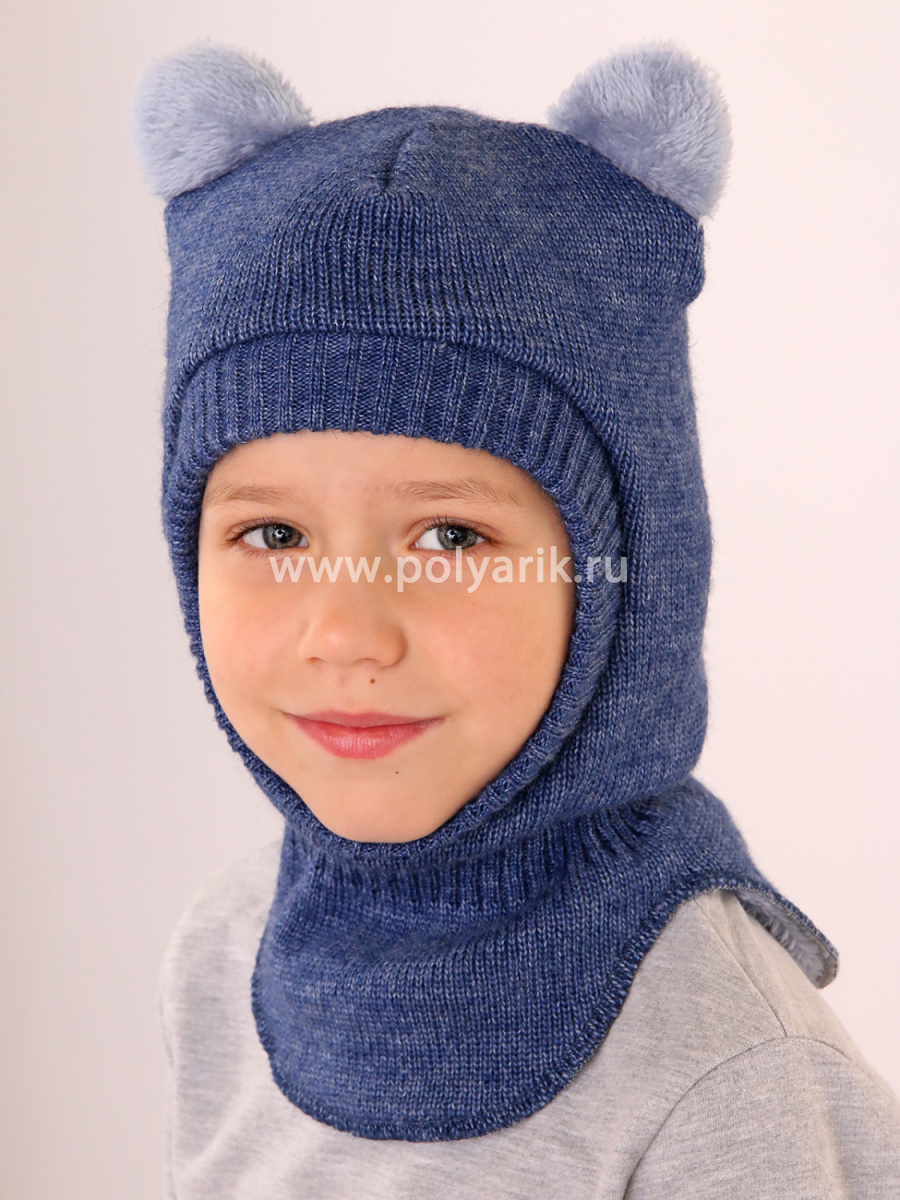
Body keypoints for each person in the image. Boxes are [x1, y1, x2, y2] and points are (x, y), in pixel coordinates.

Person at [131, 38, 900, 1198]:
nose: (344, 634)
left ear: (623, 578)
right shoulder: (225, 949)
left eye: (450, 538)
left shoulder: (729, 1069)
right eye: (273, 535)